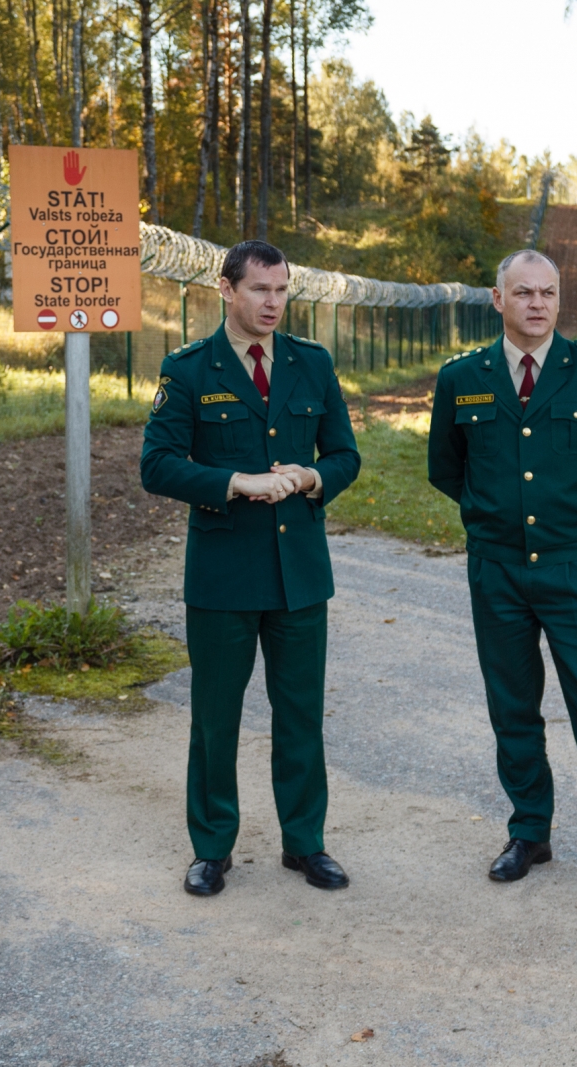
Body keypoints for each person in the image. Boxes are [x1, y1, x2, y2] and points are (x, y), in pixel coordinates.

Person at [426, 249, 577, 913]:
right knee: (512, 706)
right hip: (496, 568)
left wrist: (576, 520)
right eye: (522, 292)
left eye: (547, 293)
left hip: (575, 567)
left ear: (559, 299)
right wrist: (496, 519)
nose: (536, 304)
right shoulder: (461, 378)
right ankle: (530, 832)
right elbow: (447, 468)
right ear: (498, 300)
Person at [141, 240, 362, 897]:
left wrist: (312, 475)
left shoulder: (311, 364)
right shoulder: (188, 370)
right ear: (226, 290)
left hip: (299, 573)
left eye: (281, 289)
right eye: (260, 289)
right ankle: (212, 847)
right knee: (216, 718)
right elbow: (157, 464)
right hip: (223, 574)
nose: (273, 302)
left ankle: (306, 842)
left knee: (300, 714)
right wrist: (234, 481)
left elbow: (345, 455)